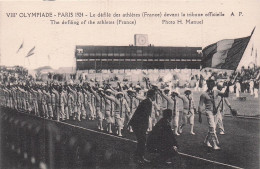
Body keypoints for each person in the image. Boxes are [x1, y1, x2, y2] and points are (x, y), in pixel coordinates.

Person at [198, 78, 229, 150]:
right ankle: (215, 144)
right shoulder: (203, 94)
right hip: (209, 111)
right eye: (209, 84)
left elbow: (225, 95)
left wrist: (227, 87)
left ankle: (206, 141)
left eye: (212, 84)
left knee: (213, 128)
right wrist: (200, 116)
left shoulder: (216, 91)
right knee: (212, 127)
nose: (211, 85)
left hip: (216, 112)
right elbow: (200, 105)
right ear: (207, 84)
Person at [128, 89, 156, 164]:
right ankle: (139, 158)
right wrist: (145, 126)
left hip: (138, 124)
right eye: (154, 95)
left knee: (142, 141)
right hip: (138, 124)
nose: (155, 96)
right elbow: (144, 115)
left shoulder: (147, 101)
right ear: (152, 95)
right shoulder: (147, 102)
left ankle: (139, 157)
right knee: (142, 141)